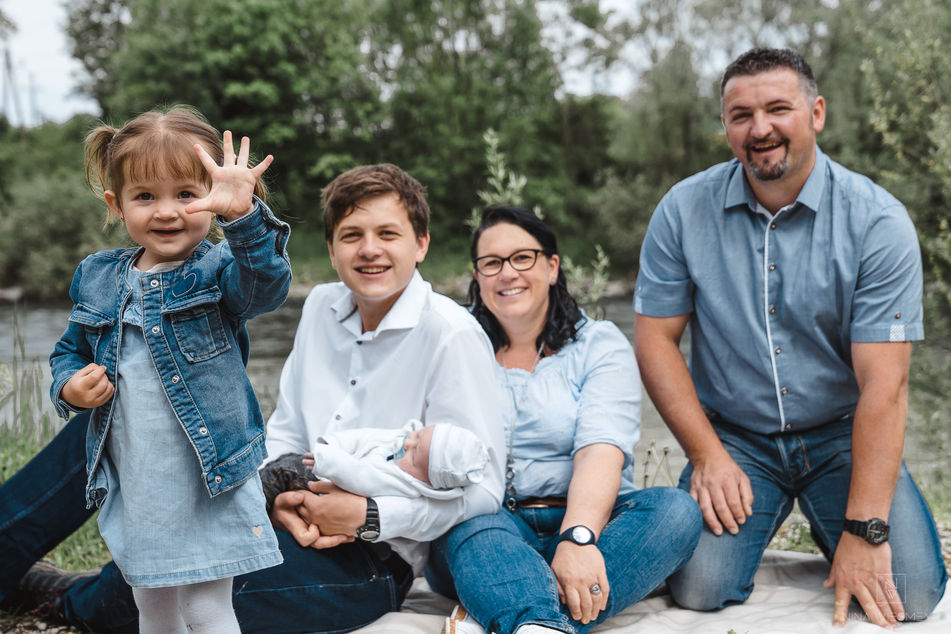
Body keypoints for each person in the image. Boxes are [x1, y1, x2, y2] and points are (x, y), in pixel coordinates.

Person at [1, 163, 503, 633]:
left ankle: (64, 595)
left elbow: (483, 492)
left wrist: (369, 515)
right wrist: (276, 498)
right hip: (283, 506)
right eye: (352, 235)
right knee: (116, 416)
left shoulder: (452, 333)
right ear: (331, 250)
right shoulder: (323, 307)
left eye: (387, 234)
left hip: (369, 559)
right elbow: (285, 430)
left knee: (180, 583)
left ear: (422, 244)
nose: (369, 249)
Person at [632, 47, 948, 628]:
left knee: (914, 595)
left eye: (779, 109)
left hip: (843, 436)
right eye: (741, 115)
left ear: (817, 113)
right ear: (725, 126)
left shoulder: (878, 222)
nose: (761, 129)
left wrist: (865, 528)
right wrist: (706, 455)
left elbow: (887, 385)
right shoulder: (681, 210)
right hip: (738, 439)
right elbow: (654, 340)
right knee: (699, 587)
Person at [46, 106, 289, 633]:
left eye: (186, 194)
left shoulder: (218, 268)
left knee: (205, 608)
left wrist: (243, 219)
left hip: (210, 476)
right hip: (139, 478)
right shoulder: (97, 276)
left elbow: (264, 289)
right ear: (116, 205)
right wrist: (70, 383)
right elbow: (68, 351)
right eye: (145, 196)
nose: (167, 212)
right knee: (151, 606)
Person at [425, 205, 701, 634]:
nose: (507, 273)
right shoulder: (457, 346)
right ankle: (536, 612)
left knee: (676, 511)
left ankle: (523, 616)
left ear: (552, 267)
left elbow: (601, 447)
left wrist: (579, 538)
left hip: (591, 520)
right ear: (477, 277)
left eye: (523, 257)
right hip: (493, 526)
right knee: (469, 524)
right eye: (491, 263)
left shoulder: (598, 344)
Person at [301, 419, 490, 499]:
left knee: (283, 474)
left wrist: (327, 461)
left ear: (427, 482)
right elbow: (364, 436)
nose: (408, 443)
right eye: (418, 435)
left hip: (320, 474)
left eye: (414, 454)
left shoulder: (400, 482)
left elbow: (360, 477)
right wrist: (333, 443)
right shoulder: (402, 438)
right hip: (322, 465)